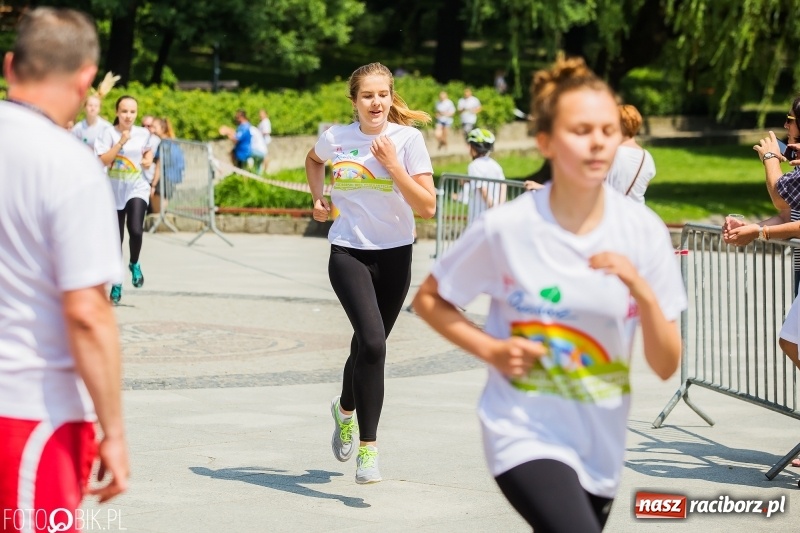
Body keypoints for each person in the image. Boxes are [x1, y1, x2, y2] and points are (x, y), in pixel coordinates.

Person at [412, 55, 686, 532]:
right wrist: (492, 348)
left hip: (600, 444)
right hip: (521, 429)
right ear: (546, 142)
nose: (598, 141)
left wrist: (641, 290)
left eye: (607, 129)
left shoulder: (643, 232)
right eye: (581, 129)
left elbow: (666, 366)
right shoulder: (508, 227)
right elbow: (430, 299)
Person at [0, 6, 128, 525]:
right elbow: (86, 313)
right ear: (85, 78)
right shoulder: (67, 163)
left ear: (10, 66)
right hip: (30, 408)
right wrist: (113, 430)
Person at [304, 62, 436, 484]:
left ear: (390, 97)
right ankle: (368, 449)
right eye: (367, 95)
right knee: (375, 343)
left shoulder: (408, 140)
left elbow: (428, 207)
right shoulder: (337, 138)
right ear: (355, 101)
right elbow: (312, 159)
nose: (375, 102)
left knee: (366, 346)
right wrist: (318, 197)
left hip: (396, 256)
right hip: (348, 252)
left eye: (382, 94)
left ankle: (344, 409)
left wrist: (394, 165)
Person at [96, 95, 160, 305]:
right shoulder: (107, 133)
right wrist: (121, 142)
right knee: (116, 240)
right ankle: (116, 283)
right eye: (124, 111)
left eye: (132, 112)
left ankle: (134, 263)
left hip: (136, 187)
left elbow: (149, 154)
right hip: (113, 191)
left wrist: (148, 161)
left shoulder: (143, 134)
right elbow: (103, 160)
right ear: (117, 112)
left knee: (135, 230)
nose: (128, 116)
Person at [605, 104, 656, 203]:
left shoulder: (610, 153)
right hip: (637, 214)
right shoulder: (647, 157)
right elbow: (645, 185)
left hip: (611, 213)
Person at [465, 128, 506, 224]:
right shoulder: (495, 165)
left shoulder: (474, 165)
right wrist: (500, 206)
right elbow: (503, 185)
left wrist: (492, 207)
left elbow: (483, 189)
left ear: (474, 147)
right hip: (495, 213)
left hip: (480, 215)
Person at [150, 117, 184, 213]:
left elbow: (159, 165)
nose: (151, 130)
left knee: (158, 214)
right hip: (173, 178)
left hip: (164, 179)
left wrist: (153, 184)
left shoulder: (164, 144)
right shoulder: (173, 142)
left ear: (162, 128)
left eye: (154, 127)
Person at [257, 108, 272, 173]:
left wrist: (259, 134)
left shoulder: (266, 121)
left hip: (265, 142)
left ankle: (265, 170)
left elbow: (267, 131)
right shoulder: (263, 122)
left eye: (262, 114)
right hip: (262, 142)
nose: (260, 115)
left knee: (265, 156)